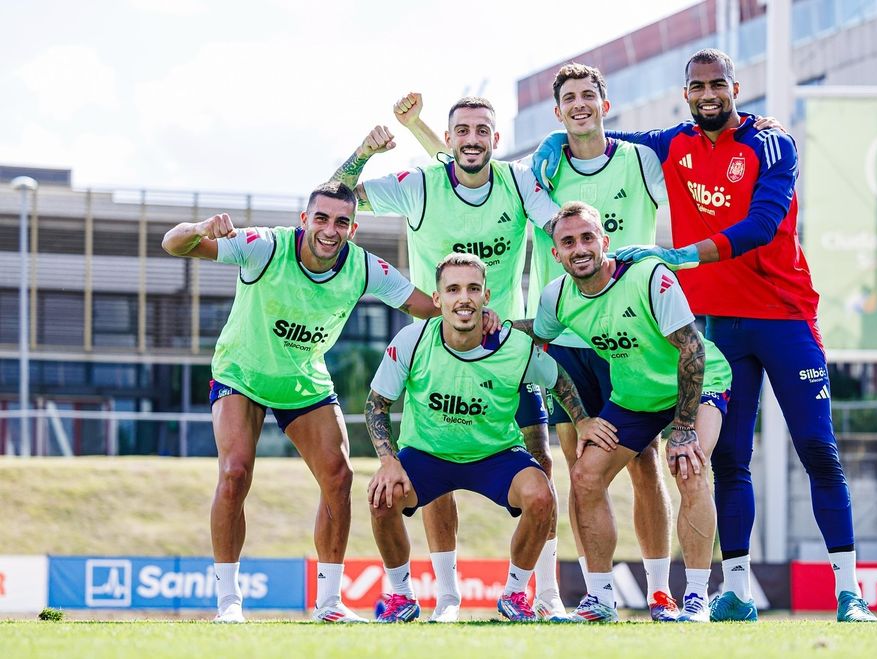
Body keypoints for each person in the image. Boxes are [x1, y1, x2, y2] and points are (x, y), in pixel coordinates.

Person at [536, 48, 877, 623]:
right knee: (728, 462)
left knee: (818, 450)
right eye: (697, 87)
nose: (708, 94)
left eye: (718, 84)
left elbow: (763, 226)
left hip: (785, 316)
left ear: (736, 88)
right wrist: (559, 142)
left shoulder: (772, 142)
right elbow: (605, 131)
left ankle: (850, 593)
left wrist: (678, 254)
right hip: (720, 324)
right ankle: (734, 593)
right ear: (686, 93)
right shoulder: (674, 142)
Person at [394, 70, 679, 620]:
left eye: (586, 97)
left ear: (604, 104)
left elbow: (504, 181)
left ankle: (639, 591)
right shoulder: (534, 167)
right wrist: (416, 127)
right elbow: (462, 158)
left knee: (636, 460)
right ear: (556, 112)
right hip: (545, 338)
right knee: (550, 464)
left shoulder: (580, 170)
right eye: (568, 99)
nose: (578, 106)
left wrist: (655, 259)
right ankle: (469, 596)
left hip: (593, 337)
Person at [161, 181, 451, 623]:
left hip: (305, 383)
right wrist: (203, 226)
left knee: (339, 477)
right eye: (321, 218)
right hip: (241, 374)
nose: (330, 229)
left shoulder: (364, 267)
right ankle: (229, 604)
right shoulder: (264, 246)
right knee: (235, 472)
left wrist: (468, 305)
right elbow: (174, 243)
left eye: (341, 222)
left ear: (353, 229)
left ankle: (329, 604)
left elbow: (422, 305)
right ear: (304, 220)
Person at [330, 98, 566, 621]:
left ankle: (541, 593)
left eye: (483, 129)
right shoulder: (419, 183)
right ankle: (447, 598)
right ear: (448, 138)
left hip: (506, 350)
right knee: (435, 458)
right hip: (439, 346)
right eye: (462, 130)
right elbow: (336, 198)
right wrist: (365, 151)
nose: (472, 138)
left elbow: (560, 230)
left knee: (542, 464)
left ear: (496, 139)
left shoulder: (519, 181)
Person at [364, 253, 614, 623]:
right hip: (428, 455)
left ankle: (516, 594)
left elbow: (559, 379)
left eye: (472, 289)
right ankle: (402, 596)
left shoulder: (514, 346)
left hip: (495, 456)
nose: (463, 298)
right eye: (452, 289)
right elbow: (376, 405)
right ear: (437, 300)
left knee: (540, 494)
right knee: (381, 497)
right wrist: (389, 460)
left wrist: (582, 422)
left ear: (486, 296)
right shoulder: (412, 340)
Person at [514, 202, 732, 623]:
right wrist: (490, 325)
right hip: (636, 395)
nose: (579, 248)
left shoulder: (649, 277)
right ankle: (600, 599)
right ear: (555, 253)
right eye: (567, 241)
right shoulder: (556, 297)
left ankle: (697, 600)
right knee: (584, 474)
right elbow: (536, 335)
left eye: (587, 238)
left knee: (688, 466)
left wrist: (684, 428)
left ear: (604, 242)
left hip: (700, 382)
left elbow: (692, 348)